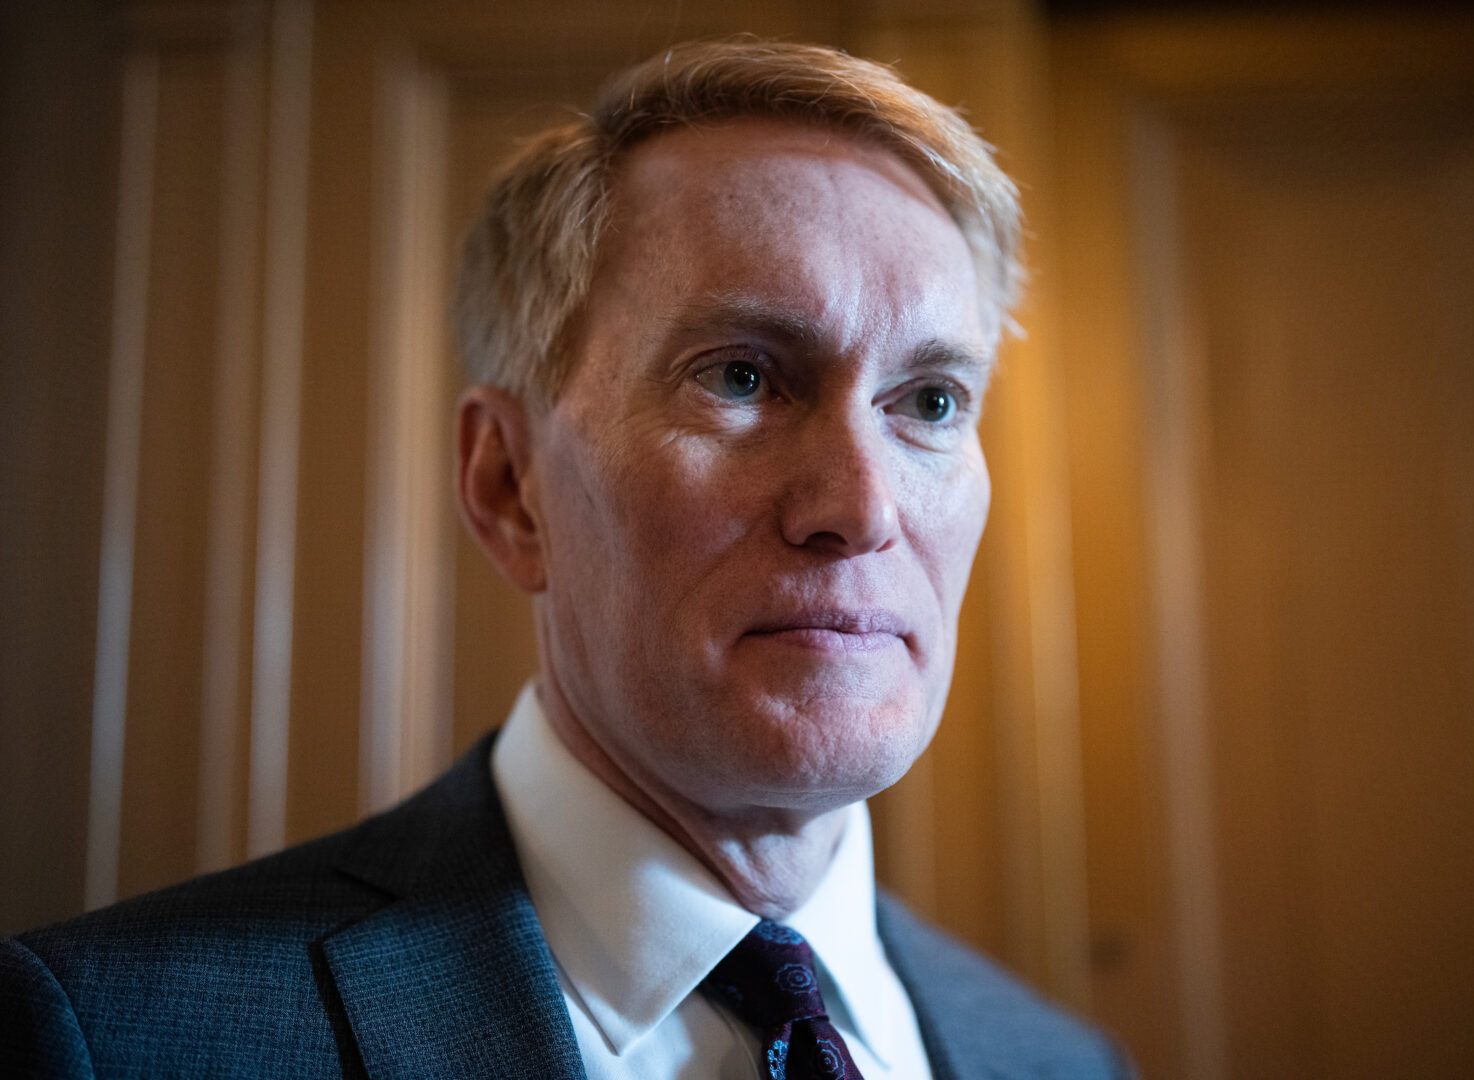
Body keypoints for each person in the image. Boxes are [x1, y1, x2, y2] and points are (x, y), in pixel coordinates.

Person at [1, 40, 1131, 1079]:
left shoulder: (1063, 1064)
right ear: (509, 485)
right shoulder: (111, 1037)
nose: (861, 505)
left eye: (930, 400)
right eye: (740, 376)